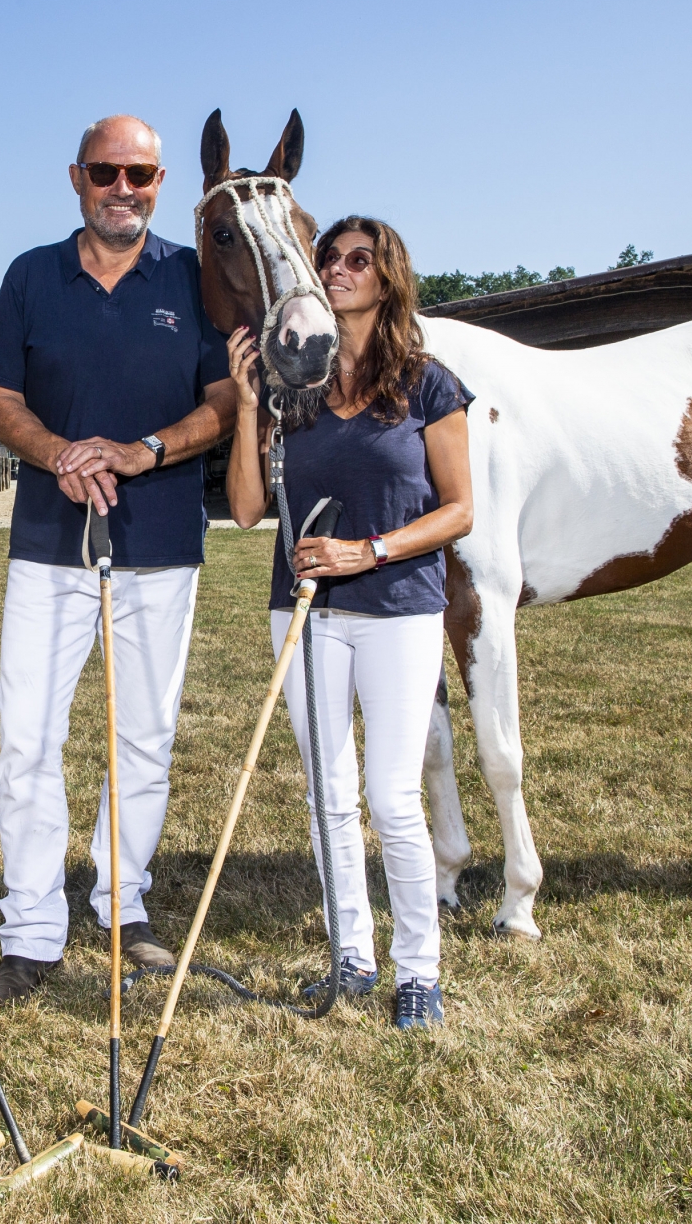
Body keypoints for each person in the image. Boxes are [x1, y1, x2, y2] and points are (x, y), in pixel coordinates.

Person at [0, 114, 235, 1005]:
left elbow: (226, 401)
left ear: (161, 184)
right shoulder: (31, 276)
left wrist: (142, 451)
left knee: (145, 736)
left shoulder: (194, 278)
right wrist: (61, 453)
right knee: (29, 735)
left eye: (142, 175)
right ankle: (32, 928)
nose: (124, 189)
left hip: (160, 540)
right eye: (106, 172)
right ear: (76, 176)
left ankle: (124, 901)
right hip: (49, 542)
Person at [222, 215, 474, 1030]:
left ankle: (419, 970)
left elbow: (461, 510)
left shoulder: (430, 383)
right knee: (329, 792)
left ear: (388, 277)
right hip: (302, 612)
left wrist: (369, 551)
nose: (335, 269)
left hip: (398, 607)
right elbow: (249, 509)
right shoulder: (294, 386)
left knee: (392, 795)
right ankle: (352, 953)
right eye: (328, 258)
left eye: (357, 260)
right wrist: (247, 405)